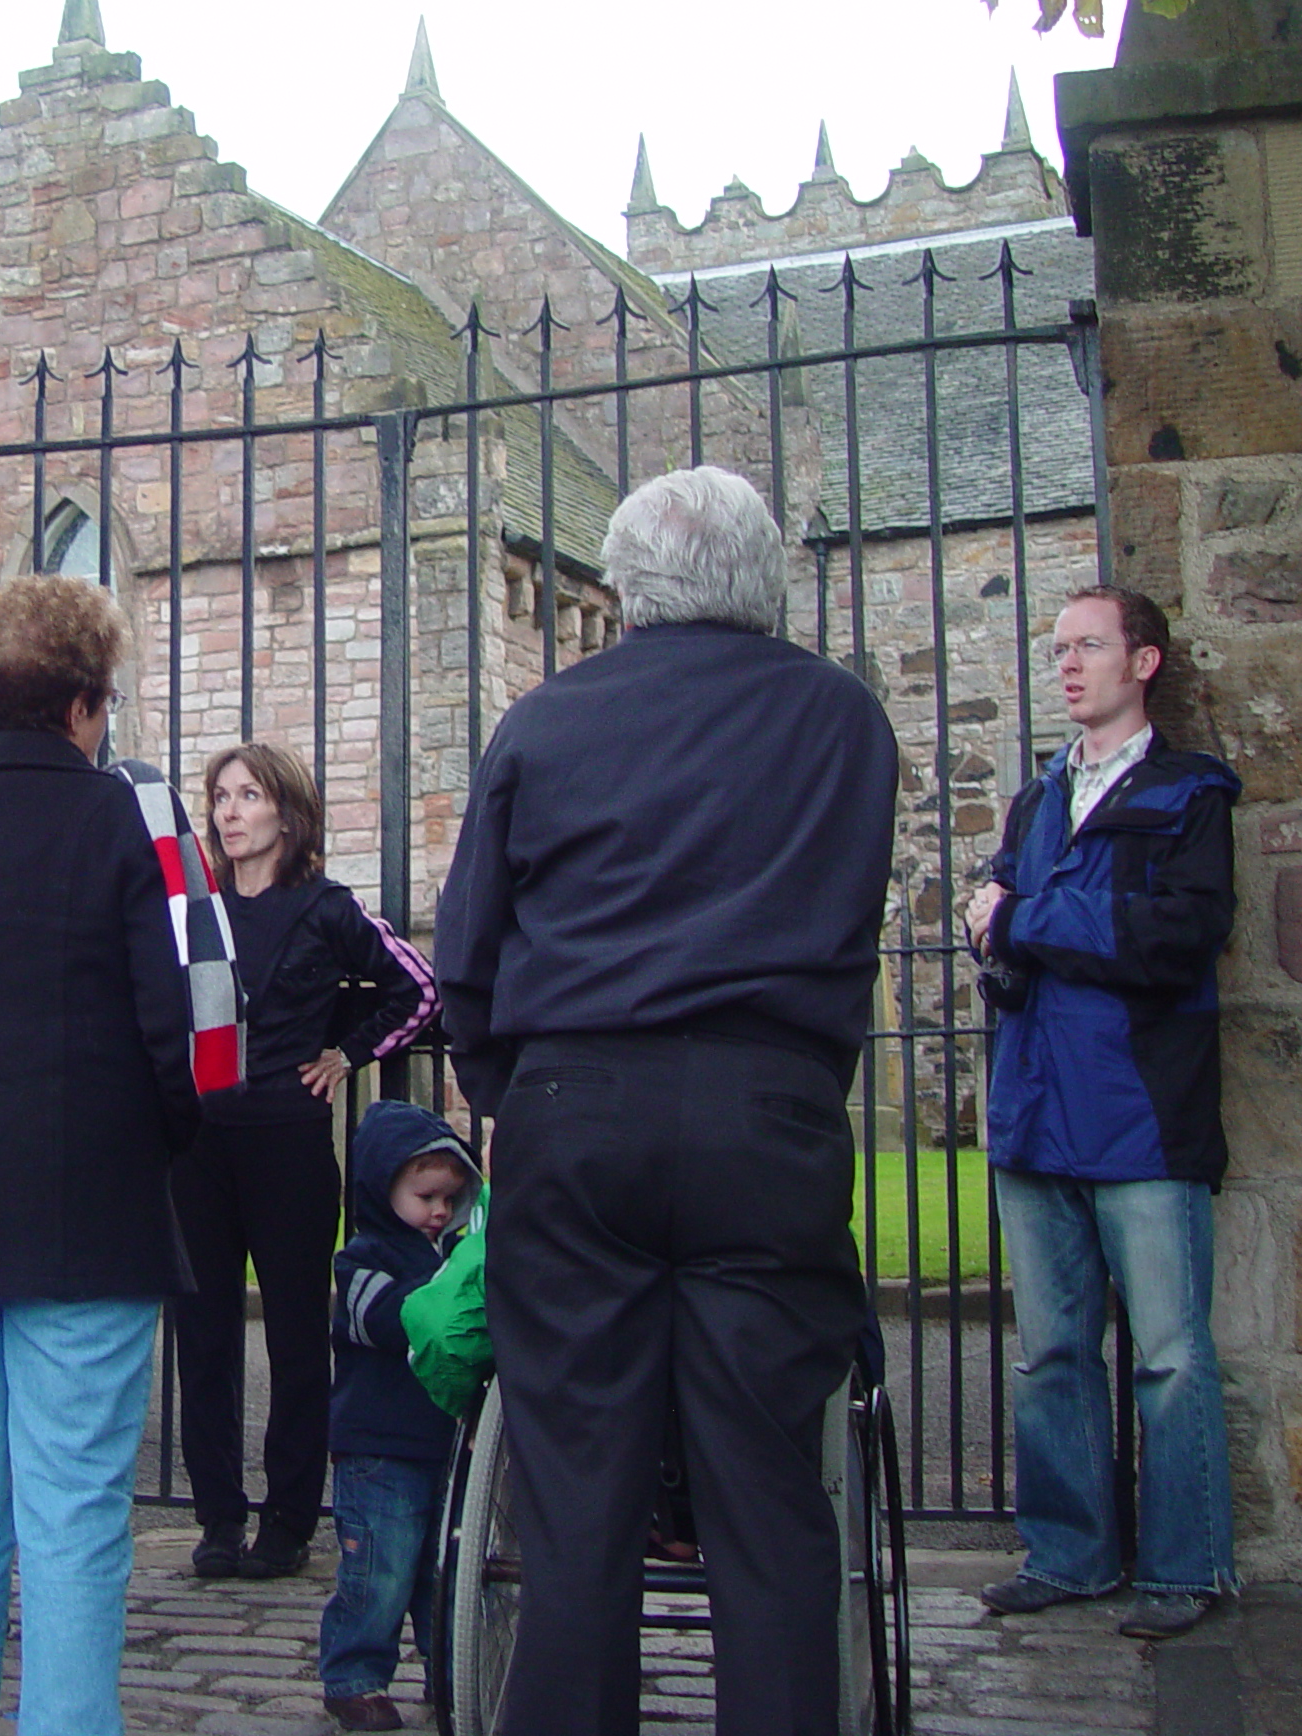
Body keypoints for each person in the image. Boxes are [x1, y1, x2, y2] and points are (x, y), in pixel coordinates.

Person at [434, 467, 897, 1736]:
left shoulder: (545, 723)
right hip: (769, 1105)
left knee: (577, 1500)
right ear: (764, 579)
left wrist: (505, 1088)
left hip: (578, 1102)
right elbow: (850, 923)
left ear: (627, 589)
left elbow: (466, 946)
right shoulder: (842, 721)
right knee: (767, 1499)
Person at [0, 575, 241, 1736]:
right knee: (72, 1514)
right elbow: (203, 1030)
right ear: (83, 703)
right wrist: (157, 1138)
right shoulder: (144, 812)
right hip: (93, 1206)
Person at [965, 585, 1241, 1642]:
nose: (1067, 664)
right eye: (1058, 648)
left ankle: (1184, 1566)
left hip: (1143, 1118)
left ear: (1145, 662)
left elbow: (1177, 937)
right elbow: (996, 924)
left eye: (1088, 645)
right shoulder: (1036, 803)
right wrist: (1000, 933)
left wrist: (1028, 917)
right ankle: (1071, 1555)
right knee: (1051, 1355)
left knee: (1168, 1355)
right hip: (1035, 1109)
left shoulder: (1191, 796)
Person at [175, 742, 439, 1581]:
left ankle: (288, 1521)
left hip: (288, 1143)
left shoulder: (328, 908)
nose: (230, 811)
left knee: (294, 1336)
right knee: (202, 1333)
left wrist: (347, 1054)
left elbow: (420, 991)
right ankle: (217, 1518)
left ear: (286, 813)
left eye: (248, 795)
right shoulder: (195, 908)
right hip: (199, 1145)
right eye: (220, 797)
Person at [315, 1100, 481, 1733]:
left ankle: (452, 1668)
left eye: (450, 1197)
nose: (439, 1210)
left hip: (443, 1446)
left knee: (445, 1571)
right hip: (379, 1447)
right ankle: (354, 1678)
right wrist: (444, 1308)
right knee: (380, 1569)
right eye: (425, 1195)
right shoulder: (361, 1260)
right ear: (384, 1189)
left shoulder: (453, 1261)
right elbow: (383, 1320)